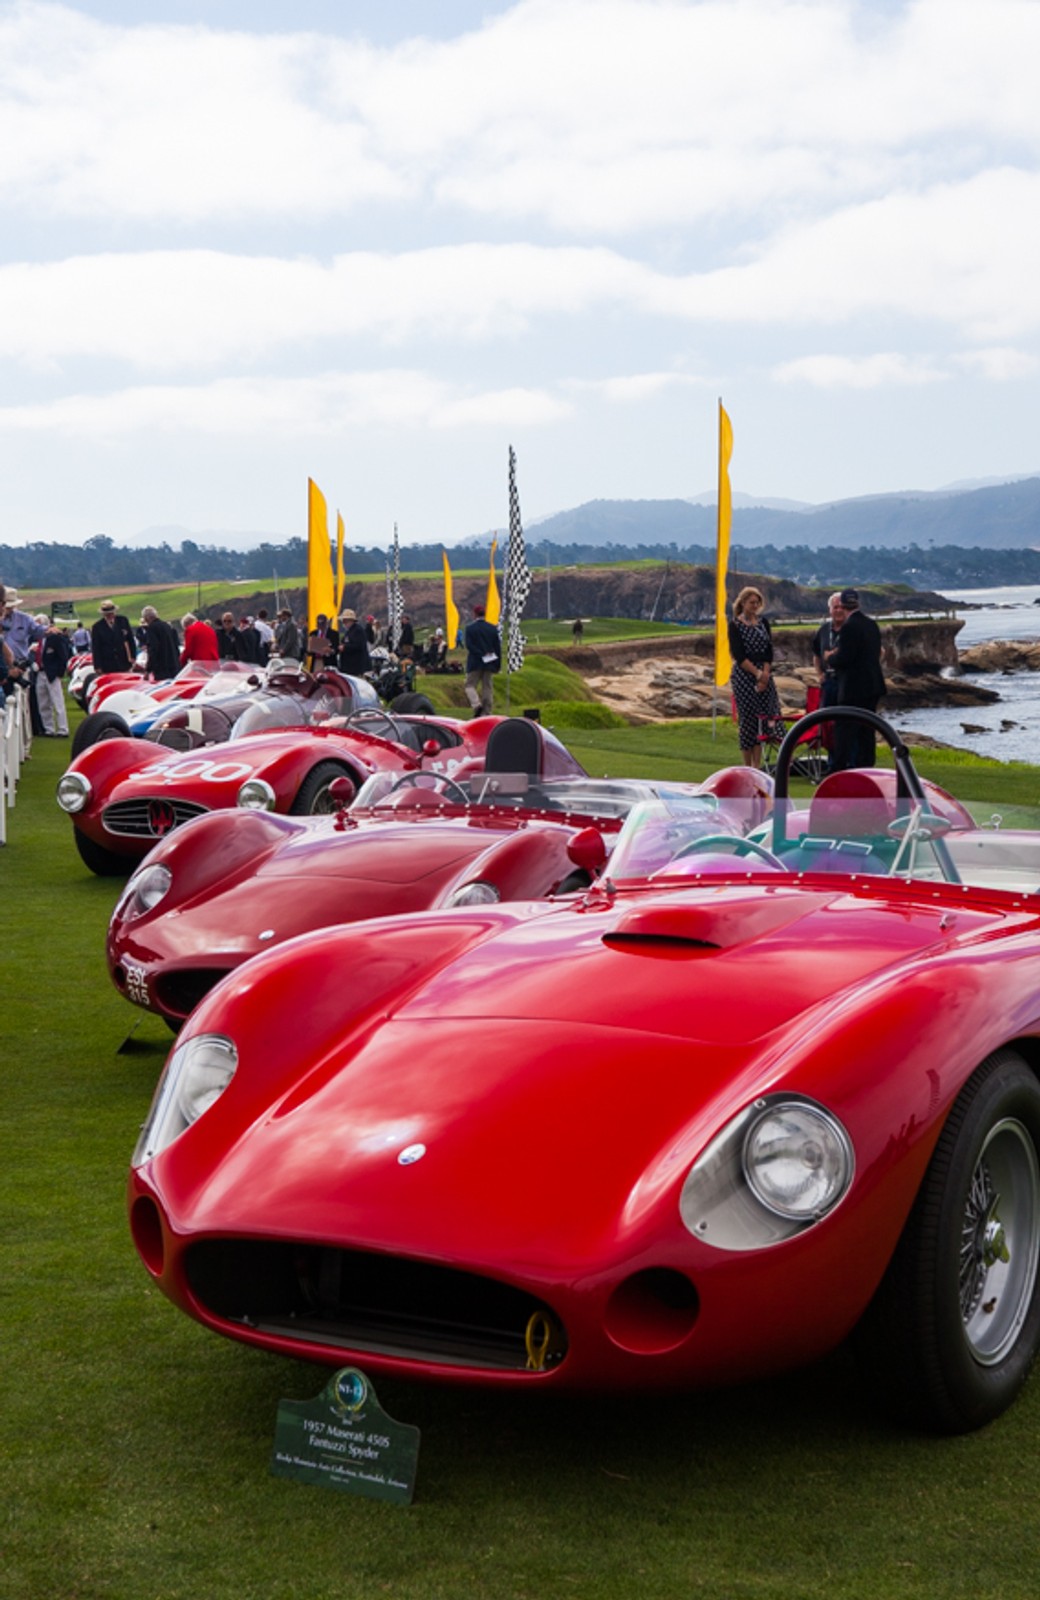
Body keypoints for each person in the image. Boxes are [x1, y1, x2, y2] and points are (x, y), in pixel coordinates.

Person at [826, 587, 886, 770]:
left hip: (853, 688)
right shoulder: (871, 624)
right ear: (858, 603)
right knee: (867, 731)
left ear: (843, 605)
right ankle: (867, 768)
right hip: (873, 685)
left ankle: (838, 769)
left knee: (844, 731)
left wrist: (830, 657)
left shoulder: (849, 627)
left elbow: (845, 659)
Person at [727, 586, 782, 769]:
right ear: (743, 603)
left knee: (762, 720)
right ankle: (747, 764)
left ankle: (757, 766)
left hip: (764, 673)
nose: (755, 606)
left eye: (757, 602)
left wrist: (765, 674)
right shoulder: (735, 625)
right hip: (745, 675)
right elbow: (739, 655)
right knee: (748, 720)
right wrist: (757, 674)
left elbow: (768, 650)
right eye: (752, 602)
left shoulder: (763, 623)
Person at [812, 592, 846, 773]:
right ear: (830, 610)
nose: (839, 610)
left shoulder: (853, 629)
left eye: (842, 607)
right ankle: (833, 764)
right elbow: (816, 655)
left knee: (847, 723)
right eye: (835, 607)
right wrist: (819, 674)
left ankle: (850, 763)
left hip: (847, 683)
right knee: (829, 727)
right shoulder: (823, 630)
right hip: (830, 683)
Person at [463, 603, 501, 716]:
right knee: (487, 687)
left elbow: (469, 646)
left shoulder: (470, 628)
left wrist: (481, 654)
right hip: (490, 661)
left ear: (474, 614)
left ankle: (476, 704)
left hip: (475, 661)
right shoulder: (492, 628)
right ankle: (487, 711)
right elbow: (497, 648)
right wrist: (497, 664)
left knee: (469, 685)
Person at [36, 618, 73, 735]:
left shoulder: (55, 639)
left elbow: (63, 656)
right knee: (43, 702)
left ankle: (63, 729)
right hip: (40, 672)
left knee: (57, 701)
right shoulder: (39, 639)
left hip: (52, 673)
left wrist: (59, 673)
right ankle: (49, 728)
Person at [90, 599, 136, 675]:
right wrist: (97, 666)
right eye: (107, 614)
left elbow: (130, 639)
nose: (110, 615)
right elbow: (96, 648)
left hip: (124, 662)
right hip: (107, 664)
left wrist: (133, 656)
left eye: (111, 613)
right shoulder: (97, 627)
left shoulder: (123, 621)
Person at [140, 605, 180, 681]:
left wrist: (148, 669)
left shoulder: (152, 628)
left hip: (162, 668)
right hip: (174, 666)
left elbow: (153, 649)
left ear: (147, 618)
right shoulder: (167, 626)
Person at [336, 609, 371, 676]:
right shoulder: (350, 631)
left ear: (350, 620)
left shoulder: (358, 630)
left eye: (345, 621)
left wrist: (345, 647)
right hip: (350, 667)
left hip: (356, 667)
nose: (344, 623)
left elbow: (359, 645)